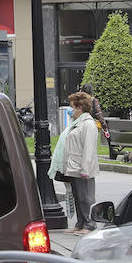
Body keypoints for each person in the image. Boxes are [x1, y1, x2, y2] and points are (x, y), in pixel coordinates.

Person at [51, 91, 101, 231]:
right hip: (73, 166)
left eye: (72, 107)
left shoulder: (88, 124)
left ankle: (90, 224)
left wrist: (85, 169)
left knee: (86, 197)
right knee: (77, 197)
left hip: (82, 167)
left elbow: (89, 149)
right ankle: (81, 223)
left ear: (80, 108)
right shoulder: (76, 123)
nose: (70, 110)